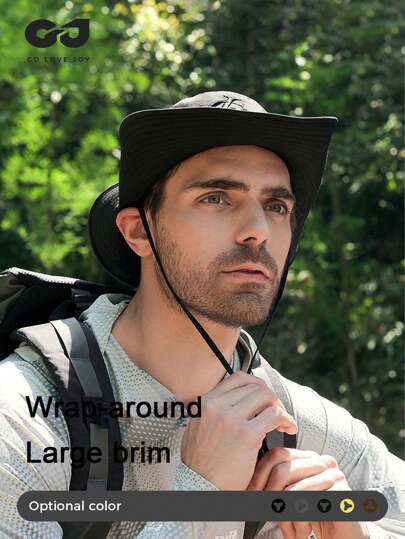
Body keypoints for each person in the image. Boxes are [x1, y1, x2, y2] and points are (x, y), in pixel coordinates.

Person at [0, 91, 404, 539]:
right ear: (139, 231)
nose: (257, 230)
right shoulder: (24, 417)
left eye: (276, 206)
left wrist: (356, 531)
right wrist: (200, 494)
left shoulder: (295, 420)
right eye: (216, 198)